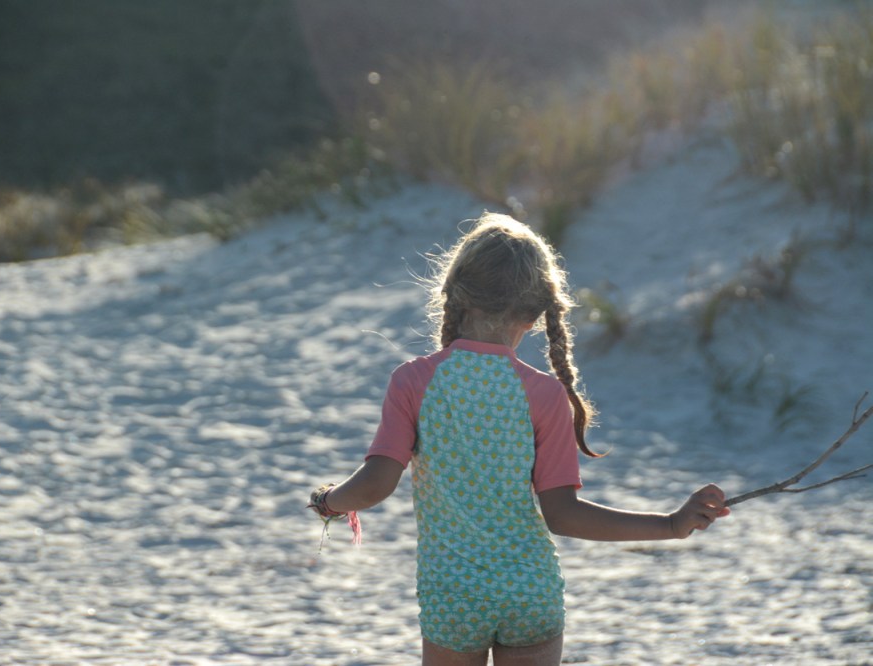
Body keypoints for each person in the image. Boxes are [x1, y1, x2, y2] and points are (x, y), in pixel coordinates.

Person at [308, 213, 730, 666]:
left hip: (454, 595)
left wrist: (330, 500)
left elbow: (375, 486)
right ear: (533, 314)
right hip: (531, 590)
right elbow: (563, 516)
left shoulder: (414, 381)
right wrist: (668, 524)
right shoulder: (545, 393)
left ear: (454, 294)